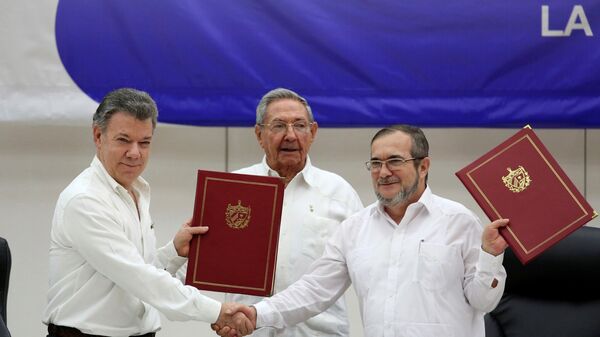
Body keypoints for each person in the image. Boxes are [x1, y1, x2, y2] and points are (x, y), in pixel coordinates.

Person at [217, 124, 510, 337]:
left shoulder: (459, 221)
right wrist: (256, 314)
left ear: (424, 167)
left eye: (395, 161)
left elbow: (484, 300)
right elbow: (313, 290)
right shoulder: (355, 229)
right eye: (376, 163)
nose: (383, 172)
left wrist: (490, 256)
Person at [43, 88, 253, 337]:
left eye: (144, 142)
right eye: (124, 140)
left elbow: (136, 273)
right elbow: (139, 278)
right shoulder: (85, 199)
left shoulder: (137, 191)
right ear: (98, 136)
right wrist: (218, 311)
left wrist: (174, 253)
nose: (135, 153)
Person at [220, 88, 363, 337]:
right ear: (259, 134)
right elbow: (200, 262)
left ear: (313, 132)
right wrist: (213, 312)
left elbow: (365, 268)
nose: (290, 135)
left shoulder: (339, 193)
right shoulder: (233, 188)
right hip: (247, 332)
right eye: (278, 126)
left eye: (299, 125)